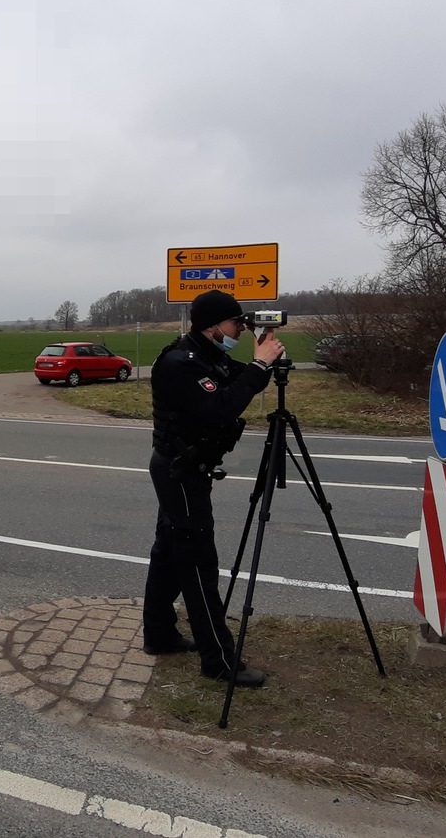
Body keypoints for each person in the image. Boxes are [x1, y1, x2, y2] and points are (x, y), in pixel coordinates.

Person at [141, 289, 284, 689]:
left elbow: (239, 380)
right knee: (199, 563)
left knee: (168, 552)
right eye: (236, 323)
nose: (239, 328)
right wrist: (259, 363)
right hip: (180, 473)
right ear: (212, 325)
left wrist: (262, 359)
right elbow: (221, 406)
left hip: (184, 470)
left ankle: (160, 634)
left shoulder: (206, 354)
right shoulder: (179, 362)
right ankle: (219, 661)